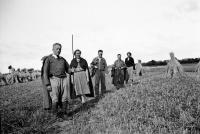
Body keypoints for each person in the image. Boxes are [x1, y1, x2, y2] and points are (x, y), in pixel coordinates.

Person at [42, 43, 71, 113]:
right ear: (53, 49)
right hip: (54, 79)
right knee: (55, 98)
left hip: (64, 79)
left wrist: (72, 70)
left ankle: (64, 113)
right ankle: (55, 115)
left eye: (60, 49)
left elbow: (68, 70)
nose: (58, 50)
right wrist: (47, 84)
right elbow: (45, 72)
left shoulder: (62, 59)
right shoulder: (49, 59)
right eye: (57, 49)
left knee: (65, 97)